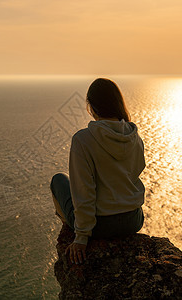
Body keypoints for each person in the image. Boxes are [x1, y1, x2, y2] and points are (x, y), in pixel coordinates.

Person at [50, 78, 146, 265]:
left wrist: (81, 237)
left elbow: (83, 191)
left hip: (101, 226)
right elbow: (135, 174)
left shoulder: (83, 140)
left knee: (59, 180)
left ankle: (68, 226)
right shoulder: (135, 137)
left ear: (91, 107)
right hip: (134, 220)